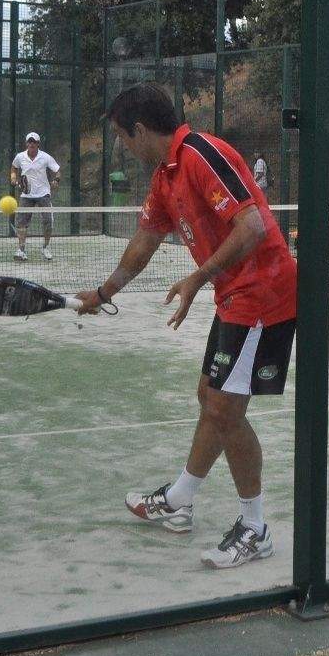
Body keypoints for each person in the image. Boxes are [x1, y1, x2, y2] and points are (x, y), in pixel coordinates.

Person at [78, 84, 297, 570]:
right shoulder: (165, 176)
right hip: (235, 294)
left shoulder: (201, 155)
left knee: (225, 409)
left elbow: (253, 227)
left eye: (121, 137)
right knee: (211, 399)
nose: (123, 148)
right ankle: (179, 501)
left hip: (264, 292)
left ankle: (255, 528)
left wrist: (199, 276)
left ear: (139, 130)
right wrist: (103, 294)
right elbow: (146, 239)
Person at [9, 131, 61, 262]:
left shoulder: (45, 157)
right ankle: (21, 250)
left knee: (48, 222)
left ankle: (45, 247)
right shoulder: (20, 157)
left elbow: (57, 171)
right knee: (21, 224)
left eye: (34, 142)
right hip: (26, 194)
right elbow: (14, 167)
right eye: (29, 142)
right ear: (26, 143)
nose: (31, 144)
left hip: (44, 193)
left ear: (38, 144)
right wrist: (13, 177)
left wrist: (56, 181)